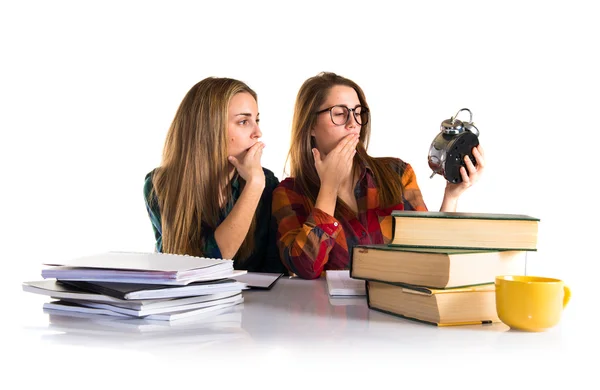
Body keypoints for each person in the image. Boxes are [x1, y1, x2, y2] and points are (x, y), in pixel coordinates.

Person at [272, 72, 485, 279]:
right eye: (339, 114)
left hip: (395, 309)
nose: (353, 123)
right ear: (310, 126)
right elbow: (305, 268)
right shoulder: (289, 192)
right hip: (329, 314)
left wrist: (452, 196)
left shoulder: (397, 173)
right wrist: (329, 187)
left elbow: (429, 251)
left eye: (357, 112)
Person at [144, 77, 286, 274]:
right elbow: (204, 264)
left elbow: (276, 272)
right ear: (210, 128)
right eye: (244, 121)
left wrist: (256, 183)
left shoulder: (267, 182)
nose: (258, 132)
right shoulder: (160, 185)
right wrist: (253, 186)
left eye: (257, 120)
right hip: (190, 302)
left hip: (255, 303)